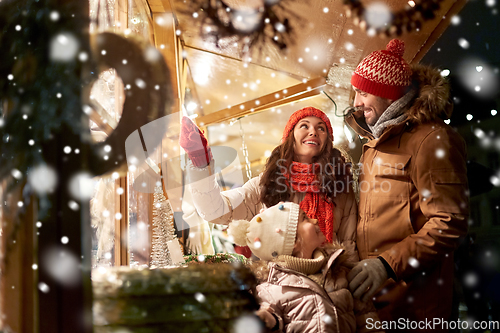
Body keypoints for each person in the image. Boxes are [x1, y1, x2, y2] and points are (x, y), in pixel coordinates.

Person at [345, 39, 469, 330]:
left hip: (416, 307)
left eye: (363, 92)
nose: (356, 103)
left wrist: (387, 264)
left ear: (387, 94)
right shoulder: (375, 143)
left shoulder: (431, 139)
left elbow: (449, 221)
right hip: (377, 304)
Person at [179, 106, 357, 257]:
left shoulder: (339, 188)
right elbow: (215, 211)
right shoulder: (265, 186)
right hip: (276, 285)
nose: (313, 132)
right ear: (290, 137)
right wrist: (201, 163)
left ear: (327, 141)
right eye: (304, 125)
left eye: (321, 128)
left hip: (328, 287)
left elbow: (350, 246)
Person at [228, 202, 382, 333]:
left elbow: (366, 318)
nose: (314, 220)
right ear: (292, 241)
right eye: (305, 219)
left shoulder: (338, 270)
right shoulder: (271, 289)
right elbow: (272, 318)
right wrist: (271, 321)